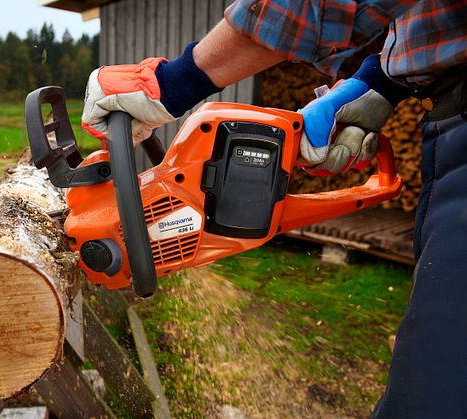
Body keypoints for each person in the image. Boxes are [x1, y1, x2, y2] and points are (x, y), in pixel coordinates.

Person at [81, 1, 467, 416]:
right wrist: (375, 85)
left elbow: (311, 9)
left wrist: (172, 83)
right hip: (444, 123)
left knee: (431, 398)